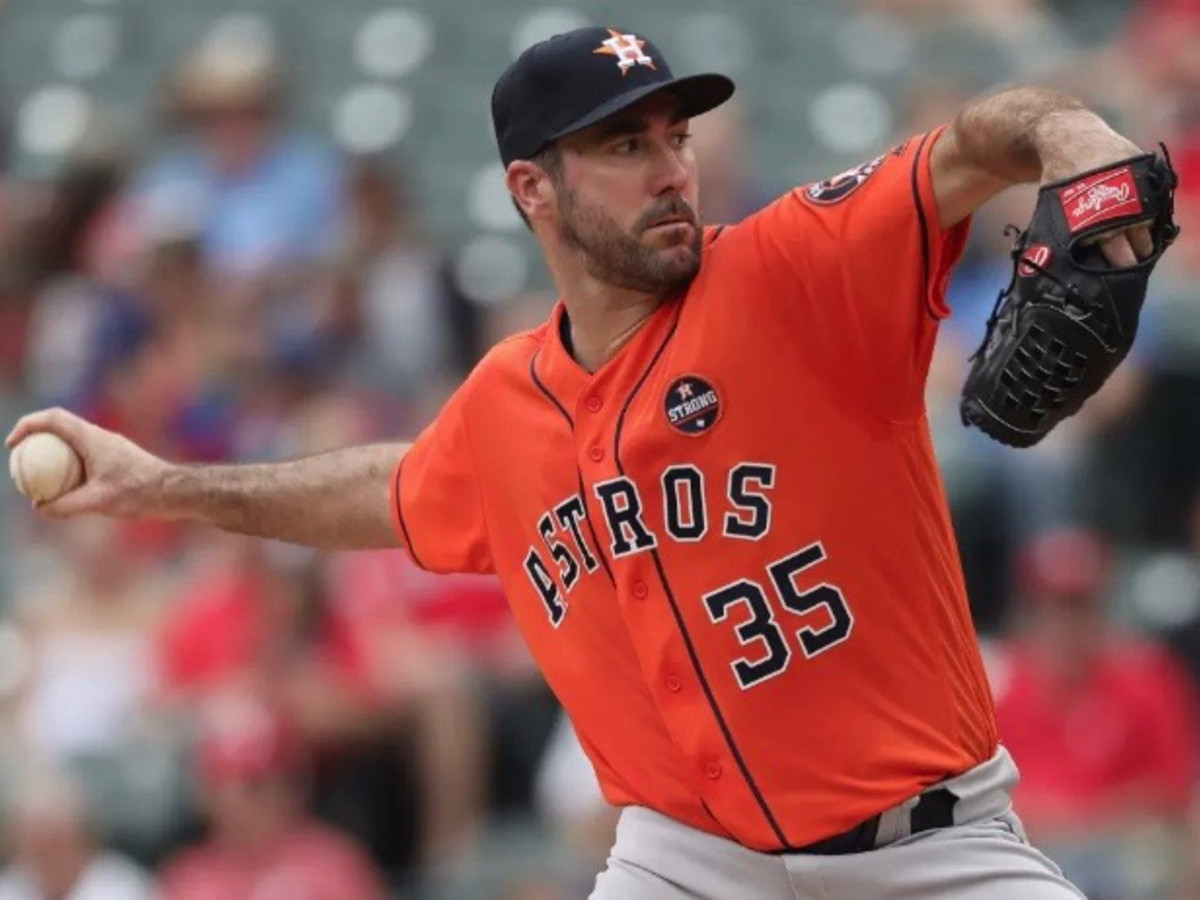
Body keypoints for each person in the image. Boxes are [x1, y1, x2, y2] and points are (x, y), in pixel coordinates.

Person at [6, 24, 1163, 900]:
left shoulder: (792, 270)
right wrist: (161, 485)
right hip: (688, 866)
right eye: (624, 145)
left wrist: (1079, 145)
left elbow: (976, 142)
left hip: (933, 850)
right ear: (530, 189)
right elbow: (386, 491)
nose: (671, 168)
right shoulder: (506, 403)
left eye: (676, 137)